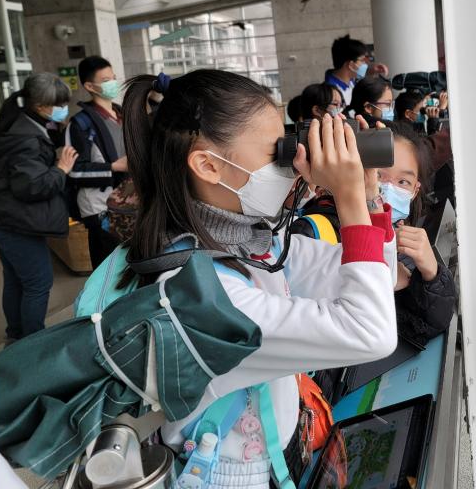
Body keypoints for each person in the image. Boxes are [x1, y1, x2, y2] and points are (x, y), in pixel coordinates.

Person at [120, 69, 398, 488]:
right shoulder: (196, 291)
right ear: (208, 165)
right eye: (276, 153)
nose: (291, 163)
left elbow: (379, 278)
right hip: (224, 476)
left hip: (274, 454)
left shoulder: (251, 245)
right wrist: (348, 197)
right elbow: (370, 333)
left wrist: (369, 195)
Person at [290, 121, 457, 348]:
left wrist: (432, 275)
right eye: (377, 175)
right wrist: (381, 283)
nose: (385, 189)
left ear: (415, 190)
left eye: (403, 181)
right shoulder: (315, 230)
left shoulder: (405, 240)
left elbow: (429, 325)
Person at [0, 73, 79, 342]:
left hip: (6, 219)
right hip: (19, 223)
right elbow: (32, 186)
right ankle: (34, 342)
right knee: (38, 284)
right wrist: (61, 169)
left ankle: (16, 336)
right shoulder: (26, 138)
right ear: (40, 106)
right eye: (59, 104)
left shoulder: (18, 124)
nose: (63, 108)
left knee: (16, 280)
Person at [66, 55, 129, 268]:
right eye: (106, 80)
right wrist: (114, 167)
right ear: (89, 86)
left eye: (114, 78)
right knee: (108, 269)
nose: (113, 83)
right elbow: (75, 171)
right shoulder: (80, 124)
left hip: (129, 204)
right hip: (100, 208)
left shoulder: (122, 115)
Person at [324, 34, 370, 106]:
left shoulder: (351, 82)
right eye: (362, 61)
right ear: (351, 65)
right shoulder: (331, 95)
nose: (365, 64)